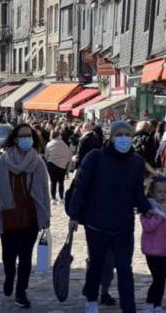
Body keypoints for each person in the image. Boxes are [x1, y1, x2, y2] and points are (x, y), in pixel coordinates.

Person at [69, 121, 153, 313]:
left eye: (127, 134)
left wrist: (148, 208)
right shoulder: (95, 157)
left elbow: (137, 193)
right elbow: (81, 187)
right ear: (111, 137)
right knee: (96, 264)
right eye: (119, 134)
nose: (124, 138)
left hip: (123, 224)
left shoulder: (137, 162)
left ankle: (129, 308)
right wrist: (74, 215)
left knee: (125, 268)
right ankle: (91, 299)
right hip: (96, 223)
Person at [0, 124, 51, 309]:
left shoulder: (38, 162)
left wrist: (46, 217)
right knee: (8, 255)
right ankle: (9, 277)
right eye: (22, 136)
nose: (26, 139)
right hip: (9, 214)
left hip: (31, 216)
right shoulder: (4, 161)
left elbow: (45, 192)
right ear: (14, 139)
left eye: (29, 136)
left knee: (26, 256)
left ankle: (21, 292)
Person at [141, 177, 166, 313]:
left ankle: (157, 305)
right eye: (159, 192)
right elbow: (148, 227)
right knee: (158, 279)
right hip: (153, 250)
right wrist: (159, 216)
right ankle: (150, 304)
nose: (163, 195)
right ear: (152, 192)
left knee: (162, 279)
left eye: (165, 192)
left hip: (165, 250)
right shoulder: (149, 209)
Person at [45, 127, 71, 203]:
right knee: (61, 182)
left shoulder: (49, 144)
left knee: (53, 182)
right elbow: (68, 155)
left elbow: (46, 155)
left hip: (51, 164)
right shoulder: (64, 144)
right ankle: (61, 198)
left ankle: (53, 198)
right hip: (62, 166)